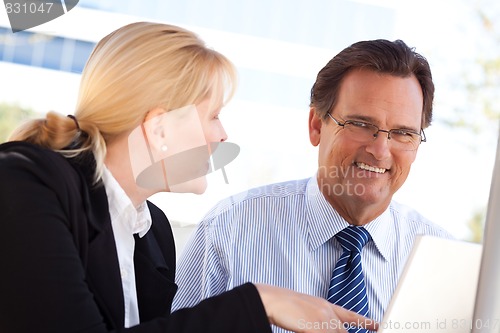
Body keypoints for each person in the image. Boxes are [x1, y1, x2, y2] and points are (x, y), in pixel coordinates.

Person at [0, 22, 378, 333]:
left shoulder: (152, 235)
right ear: (160, 129)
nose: (222, 134)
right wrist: (259, 302)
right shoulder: (28, 185)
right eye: (213, 115)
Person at [172, 39, 454, 332]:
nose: (380, 150)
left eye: (403, 133)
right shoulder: (229, 229)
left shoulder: (446, 263)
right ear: (316, 126)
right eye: (360, 125)